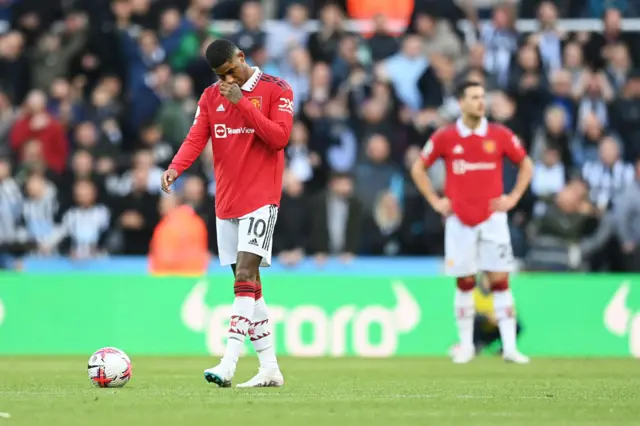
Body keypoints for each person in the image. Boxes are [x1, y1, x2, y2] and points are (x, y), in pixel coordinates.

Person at [161, 39, 294, 387]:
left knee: (245, 277)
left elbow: (279, 138)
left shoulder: (277, 90)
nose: (229, 81)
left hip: (262, 198)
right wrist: (176, 167)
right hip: (227, 201)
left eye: (232, 71)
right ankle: (269, 368)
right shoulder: (209, 97)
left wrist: (243, 105)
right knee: (252, 289)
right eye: (222, 76)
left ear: (242, 57)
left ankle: (229, 362)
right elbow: (196, 137)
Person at [410, 81, 534, 364]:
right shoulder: (446, 137)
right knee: (465, 281)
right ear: (460, 102)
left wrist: (513, 197)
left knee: (500, 280)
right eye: (474, 97)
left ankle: (510, 348)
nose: (481, 102)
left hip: (493, 219)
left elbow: (526, 163)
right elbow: (418, 167)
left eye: (483, 97)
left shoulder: (499, 134)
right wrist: (435, 200)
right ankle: (466, 346)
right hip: (459, 221)